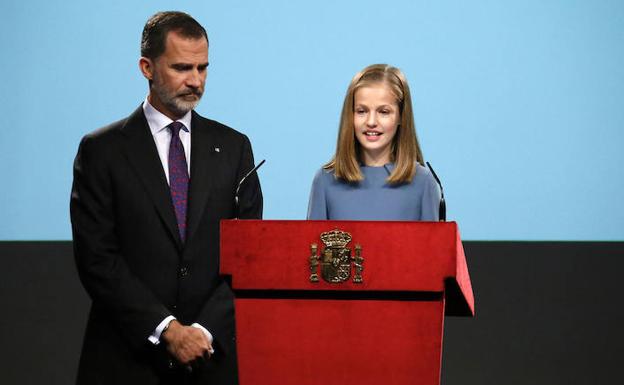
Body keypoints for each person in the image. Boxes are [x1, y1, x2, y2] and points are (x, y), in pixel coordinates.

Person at [70, 11, 262, 385]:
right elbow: (97, 258)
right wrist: (167, 330)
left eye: (203, 68)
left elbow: (249, 256)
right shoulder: (102, 151)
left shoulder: (236, 148)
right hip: (126, 362)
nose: (196, 81)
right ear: (147, 67)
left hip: (212, 362)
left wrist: (204, 331)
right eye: (182, 67)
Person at [307, 64, 440, 220]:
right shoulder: (325, 181)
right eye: (361, 111)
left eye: (383, 112)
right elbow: (312, 243)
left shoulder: (423, 182)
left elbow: (433, 244)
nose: (371, 121)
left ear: (401, 117)